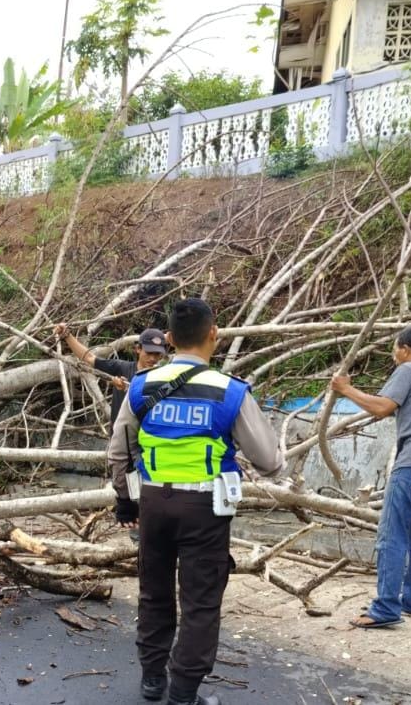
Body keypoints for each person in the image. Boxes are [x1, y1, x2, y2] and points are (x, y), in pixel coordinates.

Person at [108, 298, 283, 705]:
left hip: (152, 503)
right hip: (204, 511)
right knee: (201, 602)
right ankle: (183, 692)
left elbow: (120, 452)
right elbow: (270, 461)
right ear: (213, 335)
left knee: (153, 592)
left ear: (168, 340)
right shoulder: (229, 391)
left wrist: (125, 501)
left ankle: (153, 681)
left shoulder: (141, 385)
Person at [330, 325, 411, 629]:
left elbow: (382, 408)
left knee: (392, 535)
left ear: (404, 349)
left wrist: (345, 389)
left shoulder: (409, 370)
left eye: (394, 348)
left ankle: (386, 607)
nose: (393, 354)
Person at [54, 323, 167, 427]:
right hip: (120, 436)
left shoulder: (164, 377)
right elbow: (89, 357)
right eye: (149, 353)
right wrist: (67, 336)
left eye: (157, 354)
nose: (152, 358)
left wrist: (128, 389)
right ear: (138, 349)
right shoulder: (122, 368)